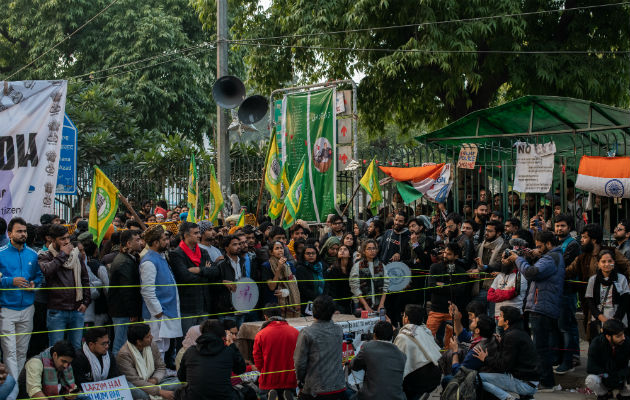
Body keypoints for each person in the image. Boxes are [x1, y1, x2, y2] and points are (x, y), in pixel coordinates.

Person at [506, 231, 564, 391]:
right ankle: (545, 380)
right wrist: (530, 255)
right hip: (543, 305)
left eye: (539, 246)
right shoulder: (550, 257)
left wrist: (517, 259)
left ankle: (546, 382)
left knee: (540, 347)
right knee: (542, 346)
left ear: (548, 244)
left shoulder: (550, 258)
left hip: (542, 307)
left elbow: (531, 272)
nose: (537, 249)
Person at [0, 217, 43, 387]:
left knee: (21, 351)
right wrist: (11, 281)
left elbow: (38, 277)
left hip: (27, 308)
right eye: (19, 231)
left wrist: (34, 284)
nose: (23, 234)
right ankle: (12, 390)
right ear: (9, 233)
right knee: (9, 351)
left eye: (24, 231)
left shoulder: (32, 254)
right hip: (7, 309)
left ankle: (16, 388)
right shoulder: (1, 253)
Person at [38, 224, 90, 350]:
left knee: (76, 347)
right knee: (56, 348)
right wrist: (62, 255)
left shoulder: (76, 255)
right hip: (57, 310)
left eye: (68, 238)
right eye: (62, 239)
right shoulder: (45, 255)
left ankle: (75, 370)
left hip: (77, 309)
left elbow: (85, 279)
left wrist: (86, 302)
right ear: (52, 239)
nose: (66, 241)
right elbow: (47, 270)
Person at [475, 306, 539, 400]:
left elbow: (503, 365)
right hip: (529, 382)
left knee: (476, 378)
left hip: (525, 384)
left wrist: (485, 358)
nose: (497, 318)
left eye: (500, 316)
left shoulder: (511, 336)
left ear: (507, 321)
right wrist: (502, 343)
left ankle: (508, 398)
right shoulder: (519, 332)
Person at [168, 222, 218, 341]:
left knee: (205, 340)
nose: (199, 236)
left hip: (204, 304)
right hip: (188, 306)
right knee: (188, 342)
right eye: (195, 233)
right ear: (185, 235)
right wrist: (205, 271)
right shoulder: (176, 254)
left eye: (199, 232)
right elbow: (184, 277)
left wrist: (199, 270)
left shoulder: (203, 252)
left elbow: (215, 272)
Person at [139, 225, 182, 358]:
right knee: (156, 346)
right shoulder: (149, 262)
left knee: (164, 345)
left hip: (165, 310)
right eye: (164, 239)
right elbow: (147, 291)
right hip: (157, 313)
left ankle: (161, 372)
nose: (167, 242)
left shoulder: (160, 257)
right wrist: (158, 312)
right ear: (156, 242)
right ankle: (156, 374)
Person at [177, 319, 246, 400]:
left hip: (193, 397)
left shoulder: (190, 351)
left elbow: (181, 377)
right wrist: (232, 345)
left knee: (178, 392)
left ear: (202, 333)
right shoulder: (228, 351)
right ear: (222, 335)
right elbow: (241, 369)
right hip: (224, 397)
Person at [294, 295, 345, 400]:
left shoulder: (307, 333)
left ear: (313, 311)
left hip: (315, 390)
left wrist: (301, 380)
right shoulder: (338, 330)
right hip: (338, 386)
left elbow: (299, 363)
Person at [117, 324, 180, 400]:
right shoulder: (124, 354)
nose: (152, 337)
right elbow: (134, 380)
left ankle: (155, 394)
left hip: (153, 381)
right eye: (148, 337)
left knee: (179, 382)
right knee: (139, 393)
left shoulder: (152, 344)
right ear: (139, 342)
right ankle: (160, 394)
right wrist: (159, 392)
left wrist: (154, 379)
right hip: (138, 385)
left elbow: (160, 367)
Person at [393, 304, 441, 400]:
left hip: (418, 382)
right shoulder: (426, 330)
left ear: (406, 318)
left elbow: (397, 363)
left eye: (404, 315)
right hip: (435, 375)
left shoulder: (403, 337)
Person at [350, 321, 406, 400]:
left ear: (374, 335)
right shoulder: (402, 355)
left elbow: (354, 366)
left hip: (371, 397)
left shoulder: (367, 347)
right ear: (392, 337)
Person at [109, 230, 144, 356]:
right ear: (128, 243)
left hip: (124, 310)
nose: (140, 242)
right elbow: (127, 290)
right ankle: (117, 372)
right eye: (137, 240)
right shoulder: (124, 262)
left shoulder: (130, 258)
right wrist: (133, 313)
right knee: (120, 344)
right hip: (122, 311)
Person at [554, 214, 581, 374]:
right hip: (557, 291)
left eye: (562, 226)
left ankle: (570, 360)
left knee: (567, 327)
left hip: (568, 291)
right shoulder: (558, 243)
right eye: (557, 226)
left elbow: (560, 265)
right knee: (560, 326)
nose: (559, 228)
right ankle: (563, 357)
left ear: (569, 227)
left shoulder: (572, 245)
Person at [426, 242, 469, 346]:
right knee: (427, 338)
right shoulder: (435, 267)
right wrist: (450, 286)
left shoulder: (461, 271)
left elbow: (459, 291)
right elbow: (431, 286)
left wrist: (441, 285)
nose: (445, 255)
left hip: (452, 312)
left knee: (449, 343)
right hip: (435, 309)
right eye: (444, 252)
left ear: (456, 256)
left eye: (449, 254)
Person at [253, 306, 299, 400]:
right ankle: (286, 394)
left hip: (268, 378)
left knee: (263, 395)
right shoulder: (295, 332)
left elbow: (257, 357)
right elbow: (300, 356)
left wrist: (263, 369)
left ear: (266, 317)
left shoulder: (261, 334)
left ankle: (272, 394)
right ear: (281, 315)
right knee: (290, 393)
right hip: (289, 377)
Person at [585, 249, 630, 337]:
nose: (607, 264)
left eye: (610, 261)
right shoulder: (593, 280)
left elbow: (625, 301)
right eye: (603, 261)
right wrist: (600, 317)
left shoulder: (621, 279)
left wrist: (615, 319)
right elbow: (590, 301)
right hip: (600, 317)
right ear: (598, 263)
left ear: (614, 262)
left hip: (618, 318)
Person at [585, 319, 630, 400]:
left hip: (621, 376)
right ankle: (603, 394)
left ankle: (624, 392)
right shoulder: (596, 344)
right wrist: (607, 375)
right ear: (608, 336)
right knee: (590, 380)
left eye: (623, 334)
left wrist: (622, 373)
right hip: (605, 377)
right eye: (618, 336)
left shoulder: (626, 341)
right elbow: (590, 367)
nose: (623, 338)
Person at [262, 241, 301, 318]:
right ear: (271, 252)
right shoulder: (266, 266)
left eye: (281, 248)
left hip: (290, 299)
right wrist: (278, 268)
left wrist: (287, 292)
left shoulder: (289, 265)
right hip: (275, 301)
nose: (280, 250)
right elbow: (272, 287)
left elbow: (294, 284)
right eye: (277, 248)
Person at [349, 239, 388, 314]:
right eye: (369, 249)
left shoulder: (381, 266)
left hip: (379, 305)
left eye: (374, 248)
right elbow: (355, 287)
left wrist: (381, 304)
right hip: (361, 305)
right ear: (364, 251)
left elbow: (385, 287)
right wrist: (366, 305)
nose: (372, 251)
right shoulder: (357, 266)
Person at [296, 244, 326, 312]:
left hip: (323, 302)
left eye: (313, 253)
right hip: (307, 303)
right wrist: (318, 299)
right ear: (303, 255)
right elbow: (303, 288)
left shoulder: (321, 266)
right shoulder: (300, 268)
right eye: (308, 253)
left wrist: (324, 298)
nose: (311, 255)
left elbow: (326, 284)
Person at [324, 245, 353, 314]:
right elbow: (331, 291)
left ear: (349, 255)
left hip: (351, 303)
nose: (342, 251)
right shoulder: (333, 269)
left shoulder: (352, 269)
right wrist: (335, 308)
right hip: (338, 304)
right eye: (340, 249)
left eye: (345, 249)